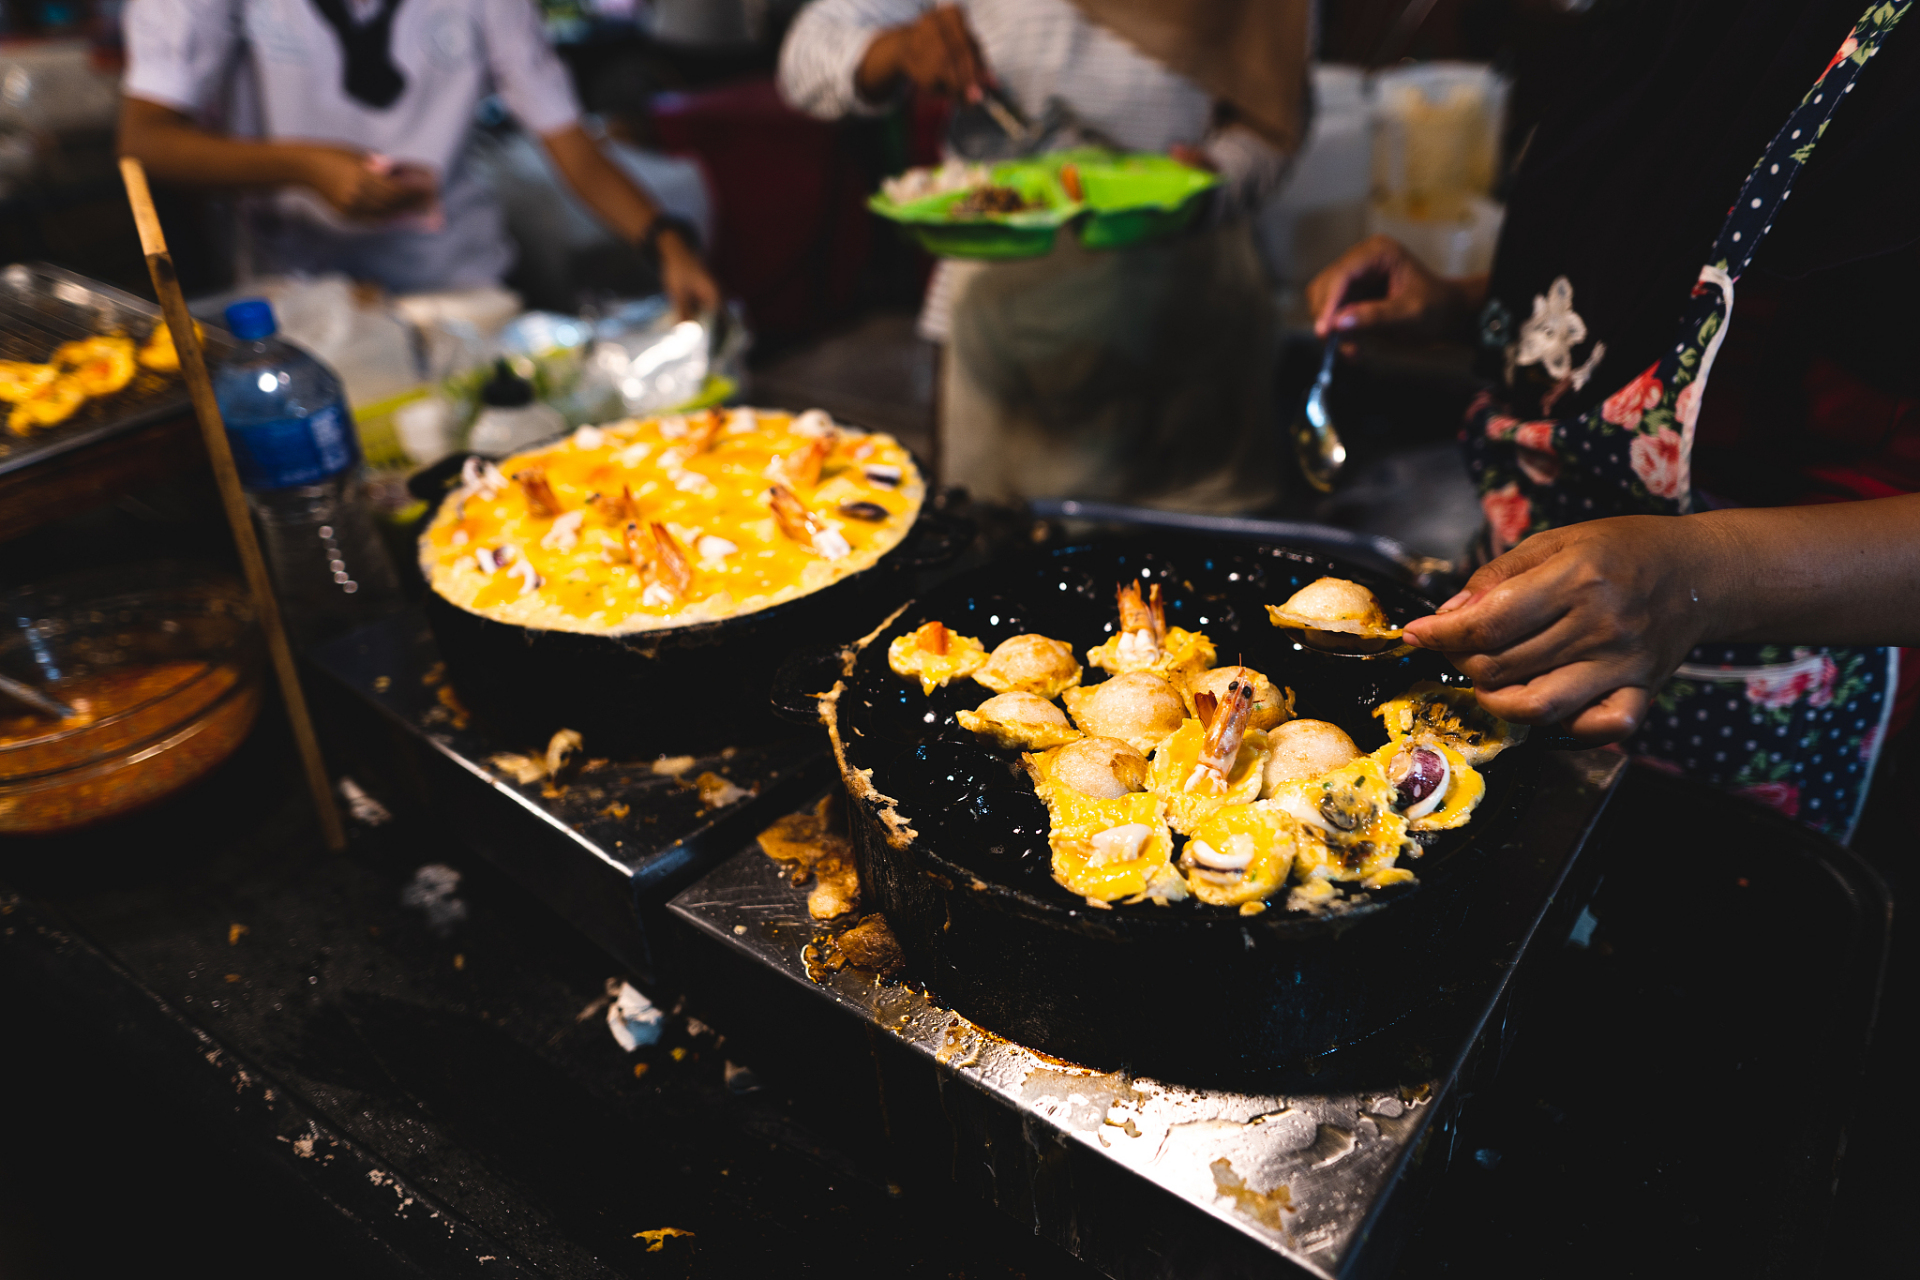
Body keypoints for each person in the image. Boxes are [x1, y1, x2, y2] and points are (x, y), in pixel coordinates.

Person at [1307, 0, 1920, 839]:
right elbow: (1682, 253)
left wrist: (1705, 576)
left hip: (1774, 697)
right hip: (1525, 647)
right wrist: (1468, 303)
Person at [779, 0, 1309, 512]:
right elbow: (805, 60)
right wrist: (897, 49)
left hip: (1194, 310)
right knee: (1000, 563)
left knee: (1212, 580)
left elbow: (1277, 118)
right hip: (1008, 321)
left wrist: (1215, 179)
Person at [116, 0, 720, 316]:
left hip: (458, 282)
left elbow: (569, 142)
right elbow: (146, 143)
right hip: (296, 290)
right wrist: (304, 165)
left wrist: (666, 241)